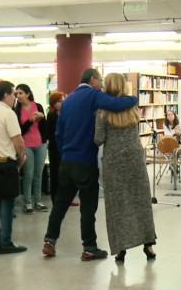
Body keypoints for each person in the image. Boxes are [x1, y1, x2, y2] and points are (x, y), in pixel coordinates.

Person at [42, 68, 137, 260]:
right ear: (92, 79)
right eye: (100, 80)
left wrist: (65, 152)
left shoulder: (67, 101)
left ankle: (49, 240)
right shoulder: (93, 95)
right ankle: (89, 247)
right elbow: (117, 104)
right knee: (88, 207)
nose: (102, 85)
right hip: (85, 161)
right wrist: (134, 98)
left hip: (67, 161)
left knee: (60, 204)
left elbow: (59, 133)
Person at [94, 73, 158, 262]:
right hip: (135, 158)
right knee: (141, 201)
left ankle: (121, 248)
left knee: (117, 205)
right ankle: (149, 245)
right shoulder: (133, 107)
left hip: (114, 161)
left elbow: (99, 139)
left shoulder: (102, 111)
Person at [0, 80, 27, 254]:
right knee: (8, 202)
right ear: (6, 95)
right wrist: (20, 157)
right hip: (5, 162)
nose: (15, 98)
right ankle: (6, 242)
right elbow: (18, 141)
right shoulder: (8, 114)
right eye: (13, 94)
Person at [14, 83, 49, 215]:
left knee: (38, 174)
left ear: (28, 94)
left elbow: (44, 126)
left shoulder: (38, 106)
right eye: (16, 94)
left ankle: (38, 201)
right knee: (28, 174)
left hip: (40, 143)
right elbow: (20, 131)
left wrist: (41, 118)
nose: (18, 96)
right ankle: (27, 202)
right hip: (26, 145)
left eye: (21, 93)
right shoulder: (16, 111)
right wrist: (29, 120)